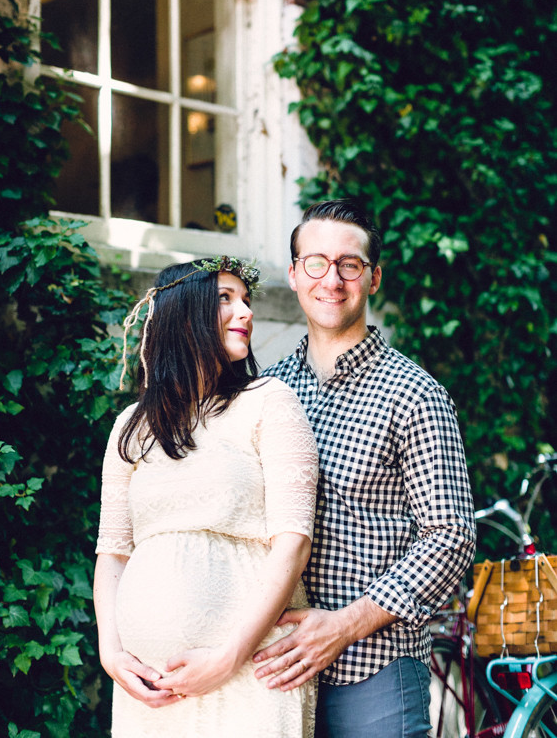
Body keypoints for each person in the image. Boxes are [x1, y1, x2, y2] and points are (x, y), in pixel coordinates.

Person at [253, 201, 476, 738]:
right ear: (293, 273)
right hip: (278, 669)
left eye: (350, 265)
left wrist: (343, 626)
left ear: (373, 278)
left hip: (373, 671)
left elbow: (451, 538)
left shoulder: (414, 393)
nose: (332, 279)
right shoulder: (268, 390)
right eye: (316, 263)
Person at [94, 256, 319, 738]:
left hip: (250, 670)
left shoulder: (269, 402)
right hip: (150, 688)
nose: (246, 312)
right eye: (225, 298)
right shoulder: (130, 428)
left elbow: (294, 542)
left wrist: (227, 657)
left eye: (247, 299)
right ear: (182, 312)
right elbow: (112, 554)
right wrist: (112, 655)